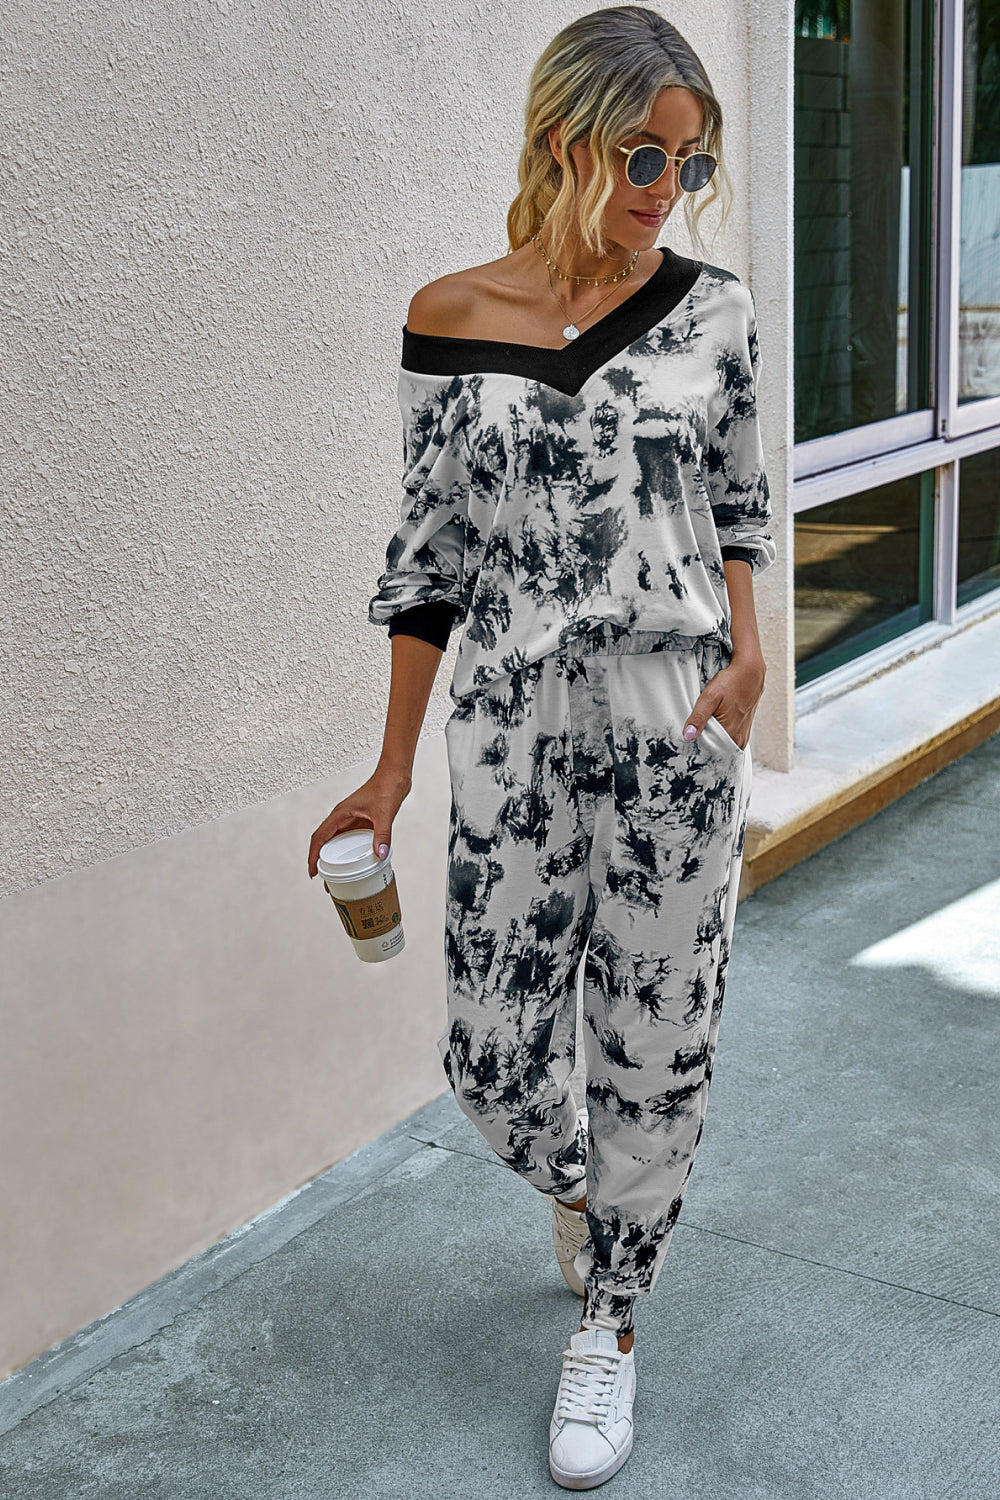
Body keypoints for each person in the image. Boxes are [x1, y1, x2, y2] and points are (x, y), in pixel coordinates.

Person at [308, 5, 775, 1488]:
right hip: (509, 728)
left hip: (673, 715)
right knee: (495, 1056)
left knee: (657, 1036)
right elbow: (428, 558)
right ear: (563, 140)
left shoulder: (717, 313)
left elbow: (741, 505)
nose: (665, 191)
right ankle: (584, 1186)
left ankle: (612, 1316)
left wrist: (751, 650)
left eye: (690, 165)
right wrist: (390, 769)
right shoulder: (450, 318)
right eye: (643, 156)